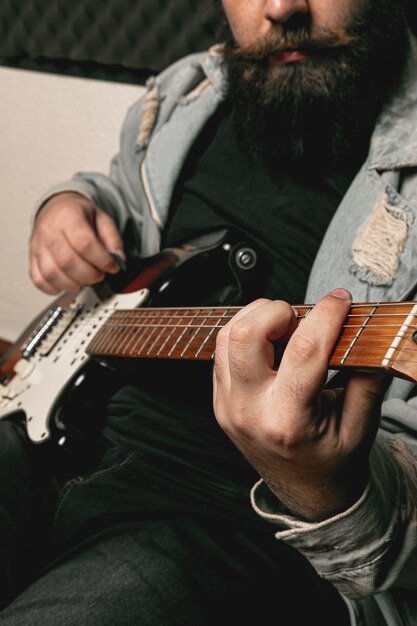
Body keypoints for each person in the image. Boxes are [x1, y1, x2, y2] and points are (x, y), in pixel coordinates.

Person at [1, 0, 417, 623]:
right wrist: (70, 203)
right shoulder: (191, 85)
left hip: (220, 520)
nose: (280, 8)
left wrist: (326, 488)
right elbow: (122, 190)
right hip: (59, 429)